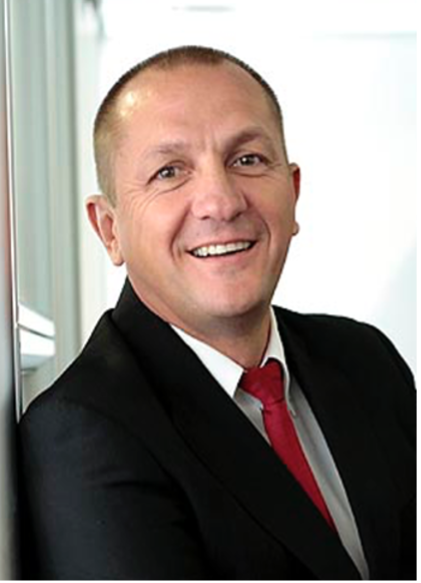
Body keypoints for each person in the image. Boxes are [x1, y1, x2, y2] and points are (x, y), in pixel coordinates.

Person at [18, 46, 417, 581]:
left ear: (293, 192)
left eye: (247, 160)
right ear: (109, 230)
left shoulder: (366, 360)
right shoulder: (85, 431)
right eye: (169, 172)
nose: (221, 202)